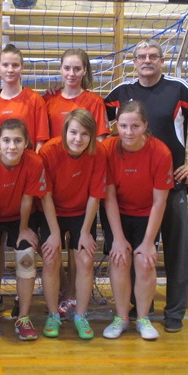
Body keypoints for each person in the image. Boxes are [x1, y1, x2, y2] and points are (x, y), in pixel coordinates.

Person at [104, 40, 188, 333]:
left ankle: (174, 312)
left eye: (153, 56)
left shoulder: (178, 89)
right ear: (134, 62)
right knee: (135, 253)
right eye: (141, 56)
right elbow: (96, 124)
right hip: (131, 193)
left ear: (162, 60)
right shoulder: (120, 93)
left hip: (171, 187)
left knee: (176, 252)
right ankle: (140, 310)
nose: (147, 60)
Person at [0, 118, 60, 341]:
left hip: (20, 215)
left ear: (27, 142)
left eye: (18, 141)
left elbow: (27, 198)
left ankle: (23, 317)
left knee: (26, 255)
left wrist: (23, 229)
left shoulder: (34, 162)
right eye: (7, 140)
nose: (12, 146)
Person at [101, 101, 173, 341]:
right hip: (118, 213)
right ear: (116, 126)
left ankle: (143, 318)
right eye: (123, 126)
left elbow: (159, 202)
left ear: (145, 126)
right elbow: (109, 197)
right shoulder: (108, 149)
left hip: (147, 214)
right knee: (119, 259)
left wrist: (149, 242)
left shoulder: (160, 152)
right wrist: (118, 239)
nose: (128, 132)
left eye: (135, 126)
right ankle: (121, 317)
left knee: (145, 261)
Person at [38, 109, 107, 339]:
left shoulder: (98, 153)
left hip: (81, 213)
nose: (78, 139)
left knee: (85, 260)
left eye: (85, 134)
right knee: (50, 258)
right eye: (74, 132)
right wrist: (54, 233)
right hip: (53, 212)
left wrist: (86, 232)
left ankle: (81, 315)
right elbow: (45, 195)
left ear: (92, 136)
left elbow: (95, 196)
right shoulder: (49, 151)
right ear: (65, 131)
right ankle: (52, 315)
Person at [0, 43, 50, 160]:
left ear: (22, 68)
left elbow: (41, 141)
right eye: (5, 65)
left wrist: (35, 167)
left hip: (25, 168)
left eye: (15, 65)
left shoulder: (35, 100)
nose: (10, 70)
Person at [43, 48, 110, 140]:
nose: (71, 73)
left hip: (84, 150)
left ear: (84, 71)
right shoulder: (48, 99)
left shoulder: (95, 102)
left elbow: (100, 140)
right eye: (67, 68)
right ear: (61, 69)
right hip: (54, 150)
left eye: (77, 69)